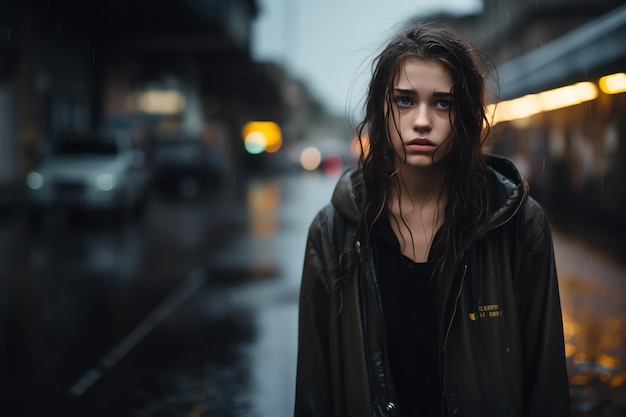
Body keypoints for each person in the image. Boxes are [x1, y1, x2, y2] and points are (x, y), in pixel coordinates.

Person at [294, 21, 571, 416]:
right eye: (405, 100)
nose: (422, 120)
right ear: (380, 108)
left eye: (443, 103)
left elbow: (546, 386)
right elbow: (314, 392)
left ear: (466, 115)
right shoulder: (332, 232)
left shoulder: (519, 225)